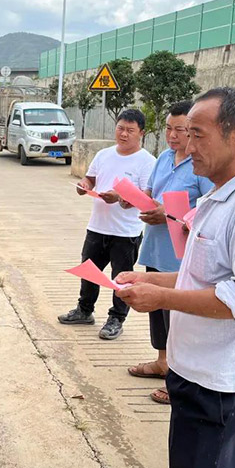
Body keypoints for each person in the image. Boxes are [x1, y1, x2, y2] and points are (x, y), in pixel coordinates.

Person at [115, 87, 235, 468]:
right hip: (194, 373)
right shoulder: (218, 195)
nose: (187, 145)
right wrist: (151, 280)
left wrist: (161, 298)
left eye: (198, 134)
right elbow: (204, 279)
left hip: (221, 386)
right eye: (184, 133)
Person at [125, 101, 213, 405]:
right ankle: (163, 361)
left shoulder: (200, 165)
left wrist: (171, 215)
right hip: (156, 246)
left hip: (182, 253)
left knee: (179, 316)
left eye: (180, 130)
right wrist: (135, 199)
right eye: (168, 128)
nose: (173, 135)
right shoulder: (162, 158)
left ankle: (178, 376)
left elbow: (208, 206)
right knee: (159, 315)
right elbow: (151, 191)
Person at [59, 109, 155, 340]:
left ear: (141, 133)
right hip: (98, 226)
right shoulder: (104, 155)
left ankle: (116, 319)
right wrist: (84, 185)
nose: (123, 134)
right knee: (89, 272)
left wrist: (121, 198)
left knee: (121, 278)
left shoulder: (147, 162)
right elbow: (91, 178)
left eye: (130, 130)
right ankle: (84, 310)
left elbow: (146, 198)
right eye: (120, 128)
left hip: (126, 232)